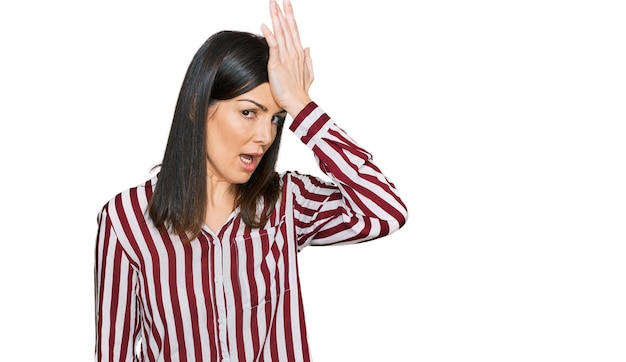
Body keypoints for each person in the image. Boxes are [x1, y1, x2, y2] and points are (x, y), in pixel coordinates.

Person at [94, 0, 408, 360]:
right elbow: (112, 351)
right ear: (198, 107)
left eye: (276, 118)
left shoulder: (288, 202)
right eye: (248, 112)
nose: (265, 136)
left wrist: (302, 105)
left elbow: (386, 211)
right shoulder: (126, 218)